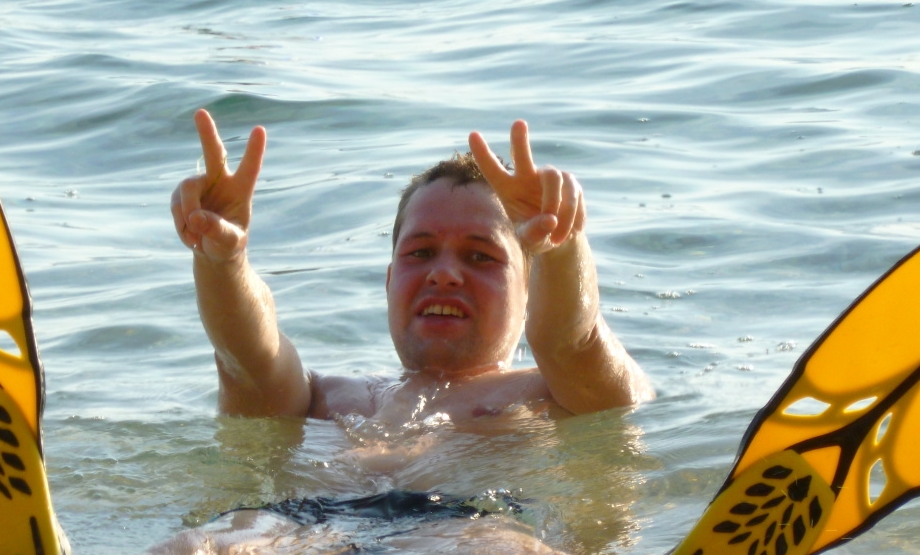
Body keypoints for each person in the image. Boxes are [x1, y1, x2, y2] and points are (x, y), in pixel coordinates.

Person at [170, 110, 654, 426]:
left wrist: (562, 246)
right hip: (308, 523)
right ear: (388, 283)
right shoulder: (321, 398)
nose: (443, 274)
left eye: (480, 256)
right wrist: (224, 262)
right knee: (200, 546)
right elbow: (247, 358)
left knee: (498, 547)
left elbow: (571, 342)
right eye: (420, 253)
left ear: (530, 292)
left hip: (474, 524)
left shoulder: (548, 397)